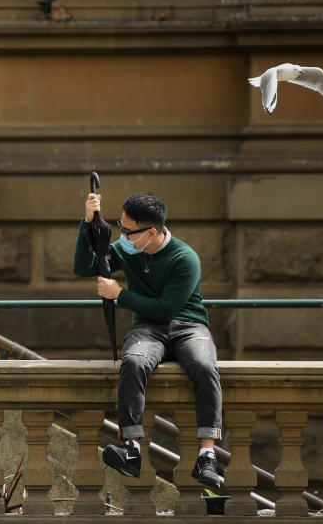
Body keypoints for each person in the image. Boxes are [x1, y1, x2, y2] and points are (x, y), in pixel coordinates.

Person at [73, 190, 224, 489]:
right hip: (147, 328)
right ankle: (131, 449)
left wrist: (120, 295)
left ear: (151, 232)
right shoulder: (127, 248)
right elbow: (83, 266)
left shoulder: (185, 258)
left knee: (204, 366)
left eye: (128, 231)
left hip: (188, 325)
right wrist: (86, 223)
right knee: (133, 361)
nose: (122, 236)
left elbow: (167, 307)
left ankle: (208, 454)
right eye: (120, 227)